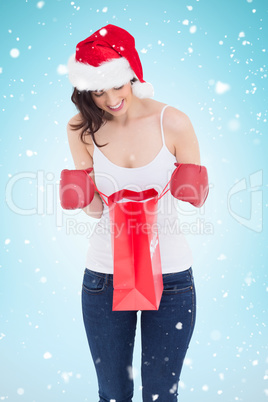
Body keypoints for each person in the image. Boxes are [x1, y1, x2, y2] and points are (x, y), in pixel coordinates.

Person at [61, 24, 209, 402]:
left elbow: (196, 199)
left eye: (117, 84)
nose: (110, 99)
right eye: (97, 90)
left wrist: (193, 188)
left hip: (171, 277)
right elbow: (96, 212)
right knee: (112, 393)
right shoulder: (81, 127)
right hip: (105, 275)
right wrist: (83, 195)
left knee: (161, 394)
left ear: (133, 75)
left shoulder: (172, 121)